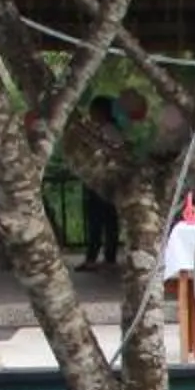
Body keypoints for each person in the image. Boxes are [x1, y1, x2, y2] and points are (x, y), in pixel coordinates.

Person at [79, 96, 122, 271]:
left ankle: (104, 256)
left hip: (105, 180)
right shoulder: (98, 131)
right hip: (97, 179)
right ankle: (96, 256)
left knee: (103, 220)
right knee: (100, 220)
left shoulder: (110, 131)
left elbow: (115, 153)